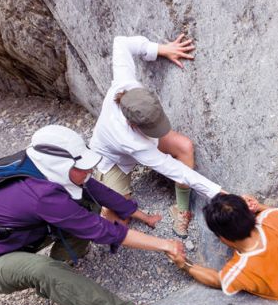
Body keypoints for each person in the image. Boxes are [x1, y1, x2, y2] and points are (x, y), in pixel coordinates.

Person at [0, 125, 184, 305]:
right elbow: (102, 230)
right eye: (82, 166)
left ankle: (62, 268)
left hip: (16, 237)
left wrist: (135, 212)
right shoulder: (42, 194)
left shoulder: (42, 165)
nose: (90, 169)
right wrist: (165, 245)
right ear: (63, 166)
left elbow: (94, 188)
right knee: (42, 270)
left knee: (86, 202)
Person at [89, 34, 223, 238]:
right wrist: (222, 194)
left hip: (139, 141)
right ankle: (99, 201)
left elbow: (121, 42)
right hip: (112, 160)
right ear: (132, 123)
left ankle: (181, 208)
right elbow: (176, 170)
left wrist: (160, 49)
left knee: (184, 147)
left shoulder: (127, 85)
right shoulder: (131, 141)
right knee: (119, 221)